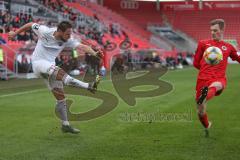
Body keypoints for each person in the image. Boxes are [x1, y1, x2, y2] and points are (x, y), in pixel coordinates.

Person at [8, 21, 102, 134]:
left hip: (50, 67)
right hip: (38, 64)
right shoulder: (44, 31)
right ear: (60, 31)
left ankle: (65, 125)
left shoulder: (67, 40)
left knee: (61, 98)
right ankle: (88, 86)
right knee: (62, 75)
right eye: (67, 33)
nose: (69, 36)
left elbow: (82, 46)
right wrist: (15, 33)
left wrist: (95, 53)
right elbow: (30, 24)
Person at [193, 19, 240, 137]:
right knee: (200, 111)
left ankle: (204, 96)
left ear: (222, 30)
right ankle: (207, 125)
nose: (213, 33)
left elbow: (238, 58)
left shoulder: (228, 47)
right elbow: (195, 63)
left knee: (216, 85)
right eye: (211, 30)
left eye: (215, 30)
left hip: (219, 79)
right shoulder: (203, 44)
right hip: (203, 79)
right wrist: (206, 70)